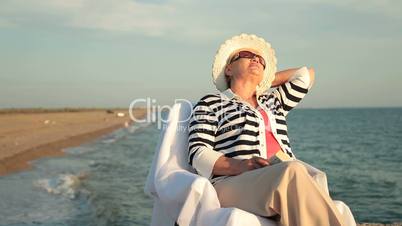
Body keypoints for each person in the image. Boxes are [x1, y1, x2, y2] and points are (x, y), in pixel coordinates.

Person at [187, 33, 356, 226]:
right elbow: (198, 153)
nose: (256, 59)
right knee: (293, 173)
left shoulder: (273, 102)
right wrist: (242, 165)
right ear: (229, 68)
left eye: (260, 60)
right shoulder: (211, 102)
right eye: (247, 55)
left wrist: (263, 81)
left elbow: (306, 75)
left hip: (279, 175)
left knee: (312, 177)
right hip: (232, 183)